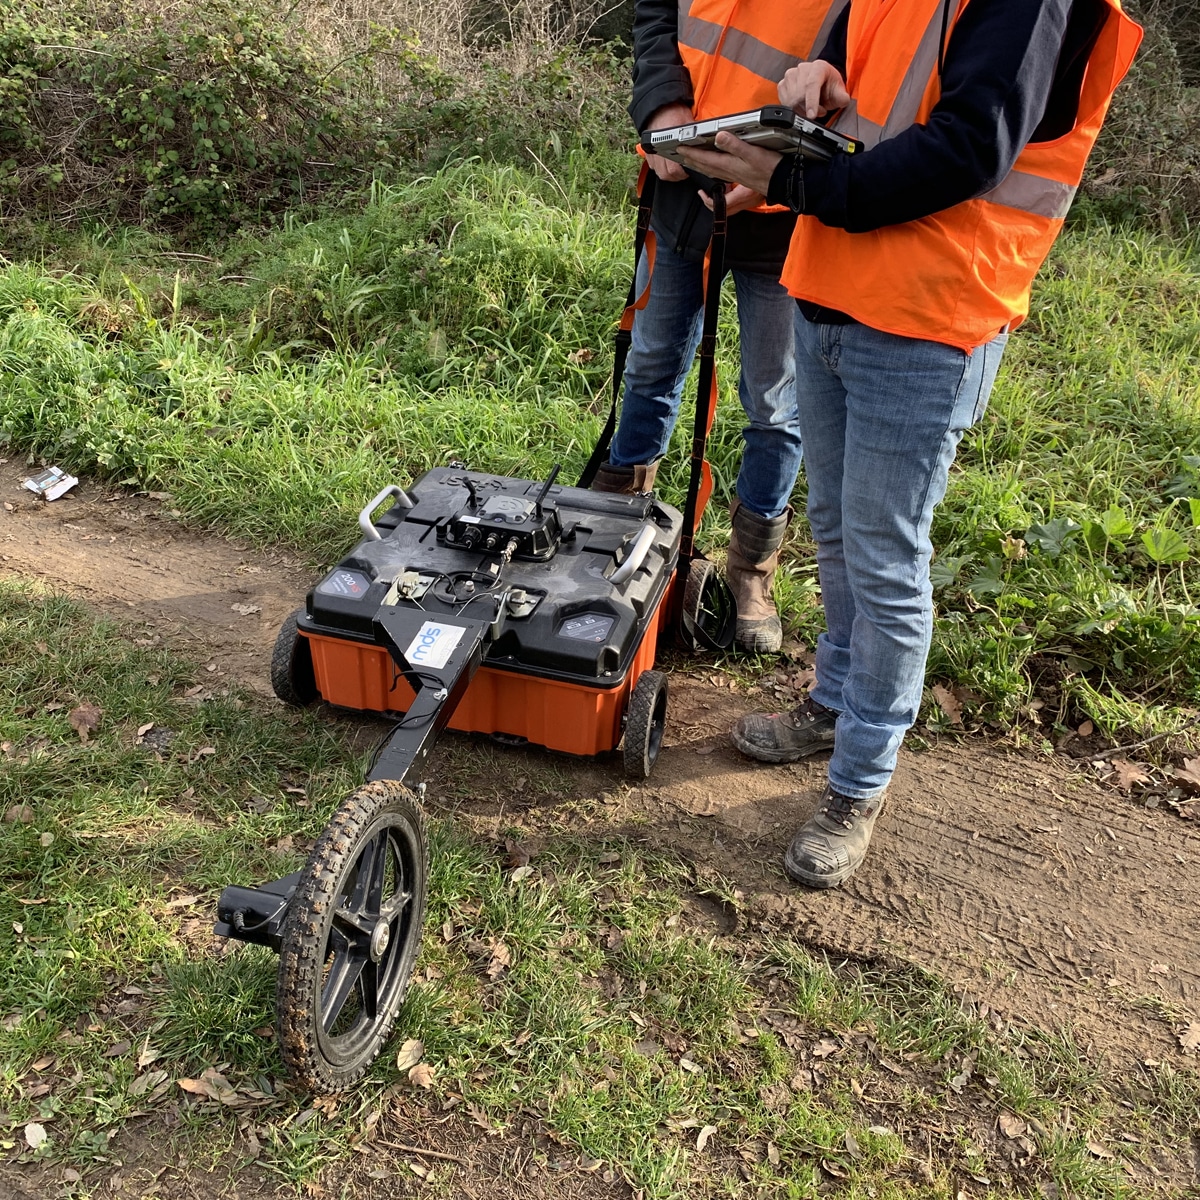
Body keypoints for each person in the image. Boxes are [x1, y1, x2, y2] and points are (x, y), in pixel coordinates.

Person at [677, 0, 1141, 887]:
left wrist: (793, 184)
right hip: (832, 287)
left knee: (886, 558)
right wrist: (813, 77)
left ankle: (858, 782)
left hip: (931, 317)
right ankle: (832, 707)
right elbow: (859, 71)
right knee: (844, 537)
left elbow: (971, 148)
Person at [592, 0, 847, 654]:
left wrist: (773, 177)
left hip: (788, 210)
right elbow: (656, 17)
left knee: (773, 401)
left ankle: (749, 572)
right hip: (682, 187)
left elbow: (862, 75)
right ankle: (614, 524)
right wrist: (661, 109)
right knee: (652, 365)